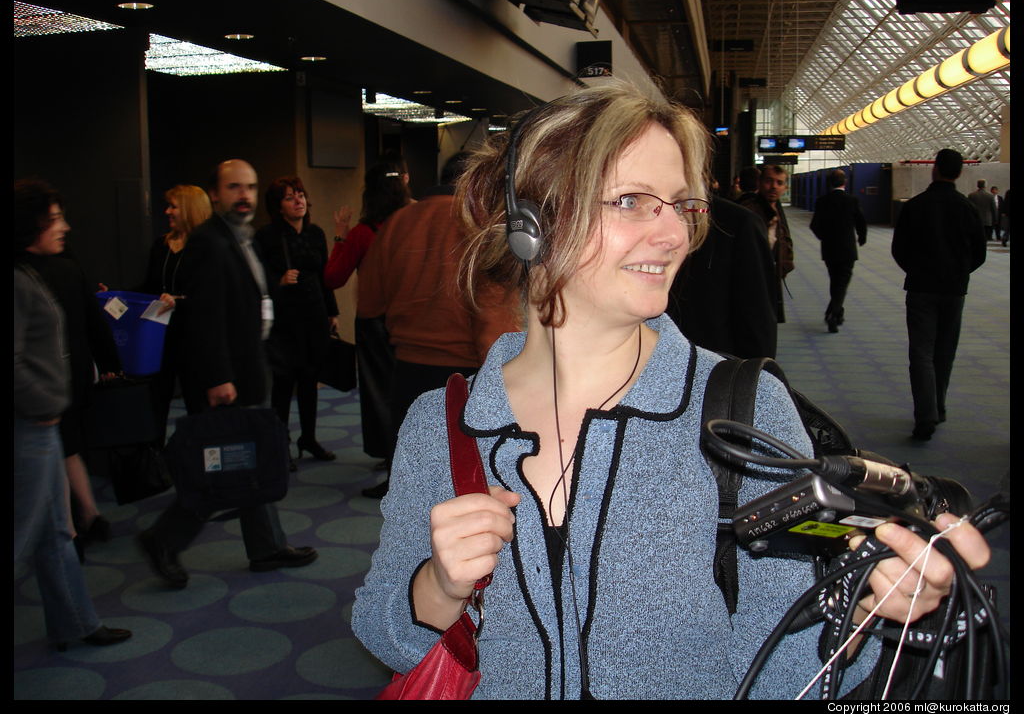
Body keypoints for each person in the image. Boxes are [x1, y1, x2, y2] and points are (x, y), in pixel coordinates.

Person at [351, 81, 990, 699]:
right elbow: (384, 628)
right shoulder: (443, 422)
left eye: (681, 204)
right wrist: (438, 587)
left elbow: (784, 671)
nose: (675, 234)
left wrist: (865, 616)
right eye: (631, 200)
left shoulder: (741, 413)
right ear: (531, 222)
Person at [137, 159, 317, 589]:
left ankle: (267, 547)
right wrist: (219, 376)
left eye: (251, 188)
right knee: (219, 470)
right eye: (235, 188)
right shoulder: (209, 242)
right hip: (226, 378)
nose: (245, 196)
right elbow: (205, 317)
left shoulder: (242, 238)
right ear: (216, 194)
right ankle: (163, 539)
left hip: (251, 367)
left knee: (251, 460)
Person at [355, 152, 520, 498]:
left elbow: (368, 302)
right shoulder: (480, 224)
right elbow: (492, 321)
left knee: (412, 487)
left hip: (406, 372)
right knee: (468, 486)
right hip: (466, 375)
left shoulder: (398, 222)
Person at [15, 179, 132, 650]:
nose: (65, 226)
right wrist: (45, 406)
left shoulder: (34, 271)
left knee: (55, 532)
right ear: (31, 223)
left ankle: (75, 623)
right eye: (55, 217)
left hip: (40, 425)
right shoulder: (18, 280)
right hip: (30, 426)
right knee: (25, 536)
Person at [892, 149, 987, 441]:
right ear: (959, 173)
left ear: (934, 169)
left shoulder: (915, 206)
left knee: (921, 352)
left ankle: (925, 415)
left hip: (921, 287)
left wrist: (916, 269)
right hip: (954, 289)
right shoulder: (966, 207)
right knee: (945, 351)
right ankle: (940, 406)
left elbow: (899, 248)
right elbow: (979, 253)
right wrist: (960, 272)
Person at [324, 160, 413, 470]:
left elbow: (333, 277)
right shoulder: (414, 221)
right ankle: (404, 455)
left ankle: (390, 455)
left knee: (379, 393)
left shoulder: (363, 233)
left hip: (374, 321)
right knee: (409, 389)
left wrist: (339, 235)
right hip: (412, 319)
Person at [254, 176, 339, 467]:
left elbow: (326, 276)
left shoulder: (315, 233)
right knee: (282, 384)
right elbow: (256, 279)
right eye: (290, 197)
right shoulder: (266, 236)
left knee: (309, 380)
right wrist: (278, 281)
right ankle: (280, 445)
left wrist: (333, 311)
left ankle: (309, 437)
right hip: (284, 319)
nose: (298, 201)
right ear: (278, 207)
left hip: (313, 314)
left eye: (300, 194)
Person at [136, 184, 212, 438]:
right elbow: (149, 287)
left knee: (197, 404)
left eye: (173, 206)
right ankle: (156, 464)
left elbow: (211, 298)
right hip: (160, 336)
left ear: (190, 210)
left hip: (194, 337)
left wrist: (179, 301)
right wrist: (114, 294)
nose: (167, 211)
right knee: (156, 401)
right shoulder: (161, 245)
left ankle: (200, 464)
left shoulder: (208, 248)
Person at [666, 191, 778, 358]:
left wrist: (754, 378)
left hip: (711, 362)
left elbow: (756, 317)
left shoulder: (736, 224)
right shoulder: (622, 217)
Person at [810, 169, 867, 333]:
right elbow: (861, 222)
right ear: (845, 182)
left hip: (829, 249)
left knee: (835, 280)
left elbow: (814, 225)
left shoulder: (822, 201)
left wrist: (824, 238)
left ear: (829, 183)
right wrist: (861, 237)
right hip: (848, 249)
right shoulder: (852, 200)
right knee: (841, 282)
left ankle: (836, 311)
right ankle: (834, 314)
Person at [738, 165, 793, 323]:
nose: (774, 186)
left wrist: (785, 264)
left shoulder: (776, 209)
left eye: (779, 183)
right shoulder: (748, 211)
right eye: (769, 181)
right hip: (751, 280)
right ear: (760, 182)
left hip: (771, 276)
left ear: (785, 188)